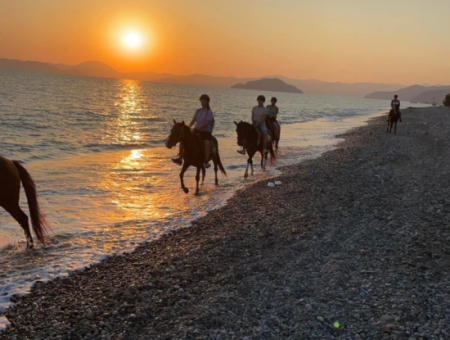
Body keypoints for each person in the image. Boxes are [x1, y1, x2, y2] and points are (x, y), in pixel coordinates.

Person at [172, 94, 215, 168]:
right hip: (196, 130)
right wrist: (188, 127)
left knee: (206, 143)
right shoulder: (198, 111)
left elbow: (207, 122)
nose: (202, 103)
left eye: (204, 101)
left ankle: (206, 161)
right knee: (183, 140)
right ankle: (180, 158)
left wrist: (200, 127)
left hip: (205, 131)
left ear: (207, 102)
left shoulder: (209, 112)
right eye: (201, 101)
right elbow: (194, 120)